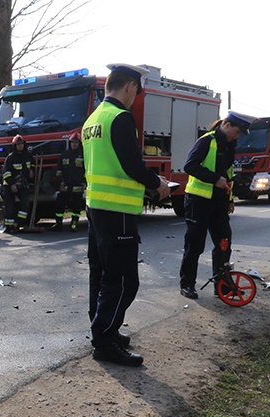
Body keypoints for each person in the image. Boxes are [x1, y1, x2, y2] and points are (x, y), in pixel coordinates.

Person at [82, 63, 170, 366]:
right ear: (130, 86)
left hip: (96, 207)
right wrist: (158, 183)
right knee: (122, 280)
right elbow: (132, 165)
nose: (136, 98)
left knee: (101, 274)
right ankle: (105, 341)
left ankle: (102, 330)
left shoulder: (93, 119)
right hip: (117, 210)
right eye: (138, 91)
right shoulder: (120, 118)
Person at [178, 112, 253, 299]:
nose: (238, 136)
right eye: (237, 132)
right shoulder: (206, 141)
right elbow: (189, 166)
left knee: (223, 244)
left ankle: (222, 287)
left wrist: (229, 199)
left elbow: (228, 173)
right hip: (198, 201)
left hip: (219, 203)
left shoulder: (230, 144)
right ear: (226, 125)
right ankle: (187, 284)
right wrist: (215, 179)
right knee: (195, 245)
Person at [1, 135, 35, 233]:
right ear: (14, 146)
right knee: (10, 205)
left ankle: (19, 223)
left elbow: (32, 164)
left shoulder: (28, 156)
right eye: (18, 144)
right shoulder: (10, 158)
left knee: (25, 203)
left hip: (22, 184)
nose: (20, 146)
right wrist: (12, 184)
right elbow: (6, 173)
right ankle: (9, 226)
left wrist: (32, 170)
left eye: (21, 144)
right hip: (9, 185)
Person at [54, 133, 86, 232]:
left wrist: (84, 182)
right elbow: (59, 170)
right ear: (70, 143)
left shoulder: (83, 155)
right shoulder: (64, 154)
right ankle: (58, 224)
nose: (74, 144)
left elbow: (86, 170)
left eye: (76, 142)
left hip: (78, 186)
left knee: (76, 207)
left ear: (79, 143)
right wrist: (61, 181)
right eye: (72, 142)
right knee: (60, 205)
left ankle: (74, 225)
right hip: (65, 185)